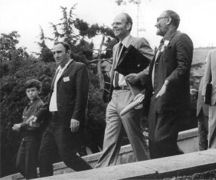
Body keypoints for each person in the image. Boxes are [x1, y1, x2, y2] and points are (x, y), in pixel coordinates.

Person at [127, 10, 193, 158]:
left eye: (159, 19)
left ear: (168, 20)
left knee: (163, 141)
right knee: (155, 146)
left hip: (170, 101)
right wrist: (139, 79)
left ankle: (187, 167)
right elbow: (155, 73)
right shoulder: (162, 43)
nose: (155, 23)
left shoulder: (181, 38)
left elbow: (183, 68)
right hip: (155, 101)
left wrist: (167, 83)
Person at [95, 13, 153, 168]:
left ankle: (149, 171)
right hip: (115, 96)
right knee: (109, 140)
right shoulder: (115, 47)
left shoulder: (139, 42)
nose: (114, 26)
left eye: (118, 23)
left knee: (136, 139)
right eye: (113, 23)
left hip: (129, 94)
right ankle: (103, 173)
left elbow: (156, 64)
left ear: (128, 26)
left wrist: (140, 75)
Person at [31, 42, 92, 177]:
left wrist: (76, 117)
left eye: (59, 52)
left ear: (68, 52)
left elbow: (82, 96)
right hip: (52, 121)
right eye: (54, 53)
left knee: (68, 156)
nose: (56, 55)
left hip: (66, 120)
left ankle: (95, 176)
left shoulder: (78, 68)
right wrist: (38, 115)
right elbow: (51, 97)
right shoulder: (58, 71)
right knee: (43, 156)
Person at [12, 79, 44, 179]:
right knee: (19, 165)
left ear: (39, 91)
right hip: (24, 139)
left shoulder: (40, 105)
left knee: (29, 167)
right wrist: (19, 127)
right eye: (28, 91)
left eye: (33, 90)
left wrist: (20, 126)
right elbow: (26, 122)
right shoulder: (27, 106)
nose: (30, 93)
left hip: (33, 139)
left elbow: (35, 124)